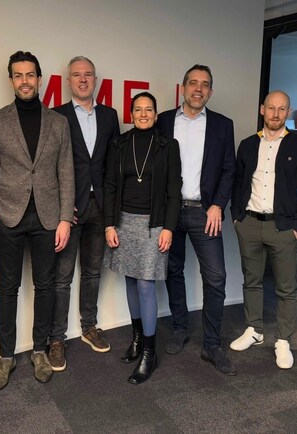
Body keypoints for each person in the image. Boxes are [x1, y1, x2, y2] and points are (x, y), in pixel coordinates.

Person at [0, 51, 74, 391]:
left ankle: (39, 351)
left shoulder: (58, 123)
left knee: (45, 287)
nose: (25, 81)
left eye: (30, 75)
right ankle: (5, 357)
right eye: (18, 75)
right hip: (8, 216)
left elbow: (66, 173)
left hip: (47, 218)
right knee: (8, 288)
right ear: (11, 80)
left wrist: (65, 219)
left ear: (39, 78)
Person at [229, 90, 297, 369]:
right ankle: (254, 329)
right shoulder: (247, 144)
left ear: (288, 112)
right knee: (251, 280)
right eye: (271, 108)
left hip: (283, 228)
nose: (275, 114)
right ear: (262, 109)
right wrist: (237, 217)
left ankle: (283, 340)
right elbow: (237, 182)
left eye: (281, 109)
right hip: (249, 223)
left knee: (286, 287)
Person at [156, 64, 237, 375]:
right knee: (173, 270)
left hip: (206, 213)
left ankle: (212, 344)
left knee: (216, 277)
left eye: (204, 84)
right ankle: (179, 328)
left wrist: (218, 204)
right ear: (183, 88)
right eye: (193, 83)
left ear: (210, 91)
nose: (198, 89)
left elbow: (229, 169)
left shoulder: (223, 125)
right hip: (171, 211)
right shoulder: (164, 121)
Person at [103, 91, 182, 384]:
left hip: (154, 225)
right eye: (138, 109)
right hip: (123, 222)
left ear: (156, 114)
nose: (144, 114)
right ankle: (137, 339)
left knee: (146, 285)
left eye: (149, 109)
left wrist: (169, 228)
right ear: (131, 113)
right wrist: (109, 225)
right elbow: (110, 185)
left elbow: (174, 190)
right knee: (130, 281)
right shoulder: (119, 144)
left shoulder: (168, 146)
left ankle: (149, 352)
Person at [51, 56, 120, 370]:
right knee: (62, 277)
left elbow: (113, 165)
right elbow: (51, 166)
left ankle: (89, 327)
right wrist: (62, 206)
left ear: (95, 79)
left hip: (100, 207)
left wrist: (112, 209)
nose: (82, 79)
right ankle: (56, 338)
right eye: (76, 75)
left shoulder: (109, 115)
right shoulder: (57, 116)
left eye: (88, 74)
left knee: (93, 272)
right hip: (70, 208)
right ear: (68, 80)